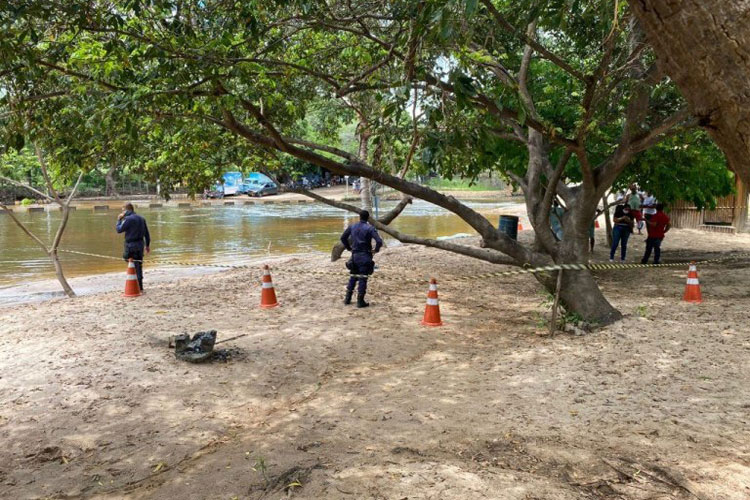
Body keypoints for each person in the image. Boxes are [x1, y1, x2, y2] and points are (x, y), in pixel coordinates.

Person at [340, 210, 382, 308]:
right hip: (365, 256)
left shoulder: (352, 226)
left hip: (354, 256)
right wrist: (375, 250)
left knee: (353, 276)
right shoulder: (370, 228)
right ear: (367, 218)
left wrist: (349, 248)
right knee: (363, 278)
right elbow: (379, 241)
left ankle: (347, 299)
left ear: (360, 217)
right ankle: (360, 301)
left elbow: (343, 238)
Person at [116, 203, 150, 291]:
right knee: (139, 264)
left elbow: (119, 230)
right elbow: (146, 234)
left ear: (126, 210)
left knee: (130, 261)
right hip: (140, 244)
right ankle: (140, 286)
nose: (122, 212)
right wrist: (147, 245)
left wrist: (119, 220)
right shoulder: (142, 218)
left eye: (123, 210)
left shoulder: (128, 219)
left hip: (131, 245)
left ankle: (135, 286)